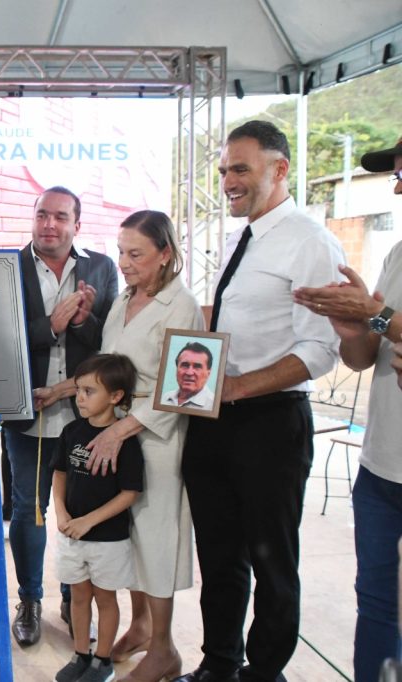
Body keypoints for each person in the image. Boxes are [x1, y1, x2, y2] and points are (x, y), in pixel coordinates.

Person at [176, 121, 346, 682]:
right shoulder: (240, 238)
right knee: (220, 556)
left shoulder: (309, 240)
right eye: (224, 169)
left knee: (273, 562)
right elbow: (230, 322)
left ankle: (264, 672)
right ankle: (219, 664)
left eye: (240, 168)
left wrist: (240, 387)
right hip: (214, 420)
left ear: (279, 170)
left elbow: (322, 349)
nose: (228, 180)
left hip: (270, 423)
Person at [37, 210, 203, 682]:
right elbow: (110, 372)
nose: (123, 263)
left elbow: (185, 389)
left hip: (154, 438)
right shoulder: (124, 299)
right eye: (121, 251)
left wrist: (120, 430)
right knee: (126, 540)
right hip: (115, 430)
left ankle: (164, 650)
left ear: (165, 254)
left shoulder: (182, 305)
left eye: (136, 254)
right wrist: (64, 390)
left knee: (154, 541)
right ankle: (142, 626)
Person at [292, 135, 402, 682]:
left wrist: (378, 315)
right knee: (376, 602)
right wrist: (353, 327)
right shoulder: (399, 253)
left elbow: (388, 322)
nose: (399, 184)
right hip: (382, 464)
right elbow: (365, 358)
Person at [5, 185, 118, 647]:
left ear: (77, 223)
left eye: (60, 217)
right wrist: (48, 326)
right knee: (29, 510)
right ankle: (29, 600)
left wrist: (81, 321)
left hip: (84, 416)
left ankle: (76, 601)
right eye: (41, 215)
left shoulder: (101, 268)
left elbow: (109, 341)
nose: (49, 224)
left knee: (81, 511)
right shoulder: (8, 268)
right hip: (27, 412)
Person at [50, 353, 143, 682]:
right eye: (78, 390)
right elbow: (59, 474)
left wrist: (90, 520)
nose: (80, 398)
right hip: (71, 536)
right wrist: (61, 512)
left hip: (108, 540)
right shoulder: (71, 431)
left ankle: (102, 660)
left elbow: (129, 493)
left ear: (116, 396)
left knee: (105, 598)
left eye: (90, 391)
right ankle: (80, 655)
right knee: (78, 596)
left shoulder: (125, 440)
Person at [161, 343, 214, 411]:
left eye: (197, 366)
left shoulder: (212, 405)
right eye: (185, 365)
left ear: (208, 373)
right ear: (177, 368)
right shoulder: (165, 398)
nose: (189, 373)